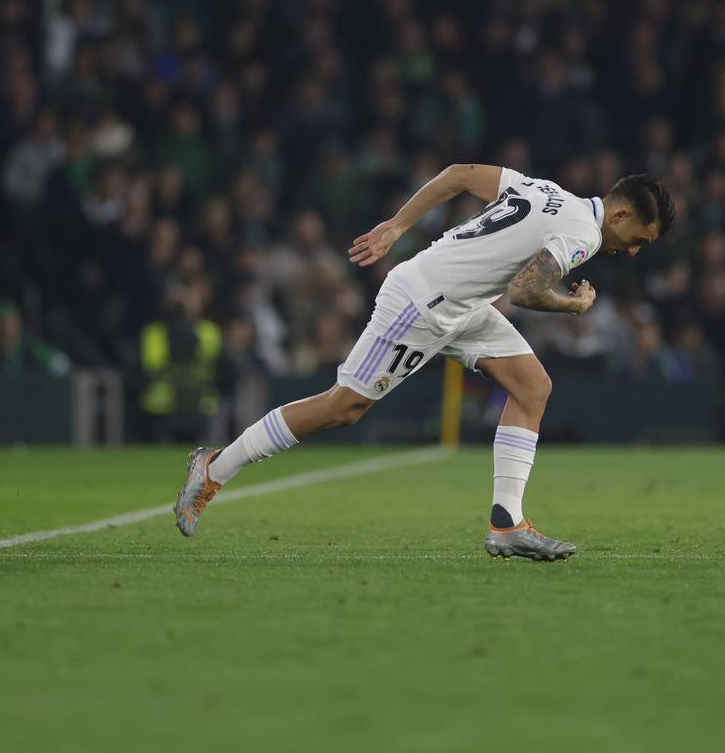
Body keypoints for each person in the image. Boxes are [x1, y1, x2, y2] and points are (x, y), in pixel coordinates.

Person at [174, 164, 673, 561]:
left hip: (462, 305)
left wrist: (397, 225)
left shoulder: (548, 190)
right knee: (342, 407)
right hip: (422, 305)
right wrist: (572, 305)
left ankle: (506, 523)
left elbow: (458, 173)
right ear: (621, 215)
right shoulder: (583, 233)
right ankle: (216, 466)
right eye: (638, 241)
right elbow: (524, 289)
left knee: (531, 387)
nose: (631, 252)